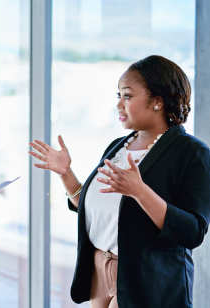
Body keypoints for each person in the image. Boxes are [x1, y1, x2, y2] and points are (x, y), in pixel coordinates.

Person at [29, 55, 210, 308]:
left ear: (157, 101)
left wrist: (140, 192)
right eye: (118, 96)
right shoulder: (117, 147)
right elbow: (101, 210)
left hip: (145, 278)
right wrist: (65, 174)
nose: (119, 105)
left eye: (127, 96)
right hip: (98, 270)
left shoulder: (193, 153)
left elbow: (193, 231)